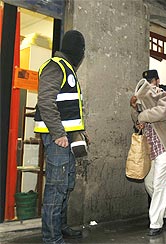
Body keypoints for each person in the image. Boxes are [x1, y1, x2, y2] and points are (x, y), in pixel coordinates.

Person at [34, 30, 86, 244]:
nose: (81, 54)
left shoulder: (68, 69)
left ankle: (61, 227)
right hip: (58, 139)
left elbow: (70, 109)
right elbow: (46, 102)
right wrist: (58, 134)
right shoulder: (55, 66)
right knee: (56, 188)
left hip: (68, 138)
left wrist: (80, 133)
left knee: (66, 183)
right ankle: (51, 238)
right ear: (75, 49)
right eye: (81, 49)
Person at [130, 70, 166, 236]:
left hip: (164, 149)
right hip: (151, 150)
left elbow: (164, 111)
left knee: (159, 185)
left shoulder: (165, 95)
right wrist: (136, 113)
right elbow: (136, 119)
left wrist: (142, 116)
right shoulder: (142, 101)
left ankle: (155, 223)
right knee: (149, 183)